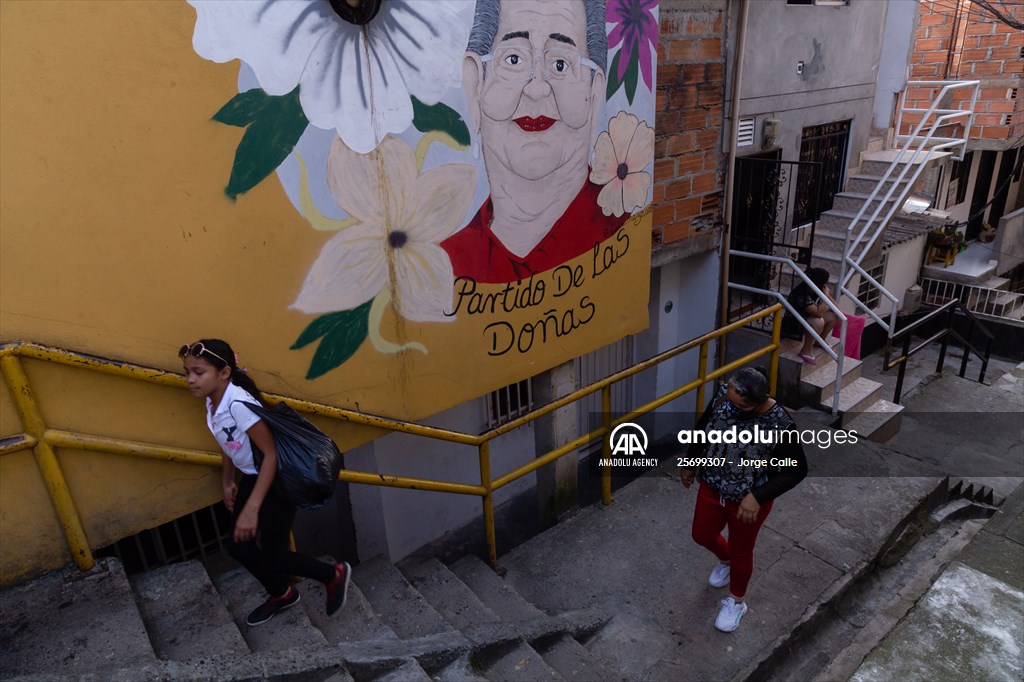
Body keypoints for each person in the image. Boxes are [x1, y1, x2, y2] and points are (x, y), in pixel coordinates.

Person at [441, 0, 629, 283]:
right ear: (476, 84)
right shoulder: (441, 268)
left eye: (561, 64)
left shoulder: (622, 235)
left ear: (594, 93)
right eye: (513, 59)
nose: (537, 88)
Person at [180, 339, 351, 626]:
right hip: (253, 476)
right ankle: (283, 593)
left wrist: (252, 508)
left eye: (198, 372)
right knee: (241, 547)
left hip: (275, 481)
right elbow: (228, 442)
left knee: (274, 554)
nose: (190, 380)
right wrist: (227, 481)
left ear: (224, 373)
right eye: (187, 372)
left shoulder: (238, 405)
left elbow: (271, 454)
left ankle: (333, 575)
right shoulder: (213, 401)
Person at [679, 367, 808, 633]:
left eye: (741, 406)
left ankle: (737, 601)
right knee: (701, 534)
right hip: (713, 487)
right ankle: (726, 561)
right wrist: (690, 462)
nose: (733, 408)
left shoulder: (780, 424)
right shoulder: (724, 398)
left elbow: (796, 469)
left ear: (759, 401)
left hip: (748, 502)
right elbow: (703, 428)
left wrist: (758, 497)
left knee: (742, 551)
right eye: (731, 401)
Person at [781, 267, 839, 365]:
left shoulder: (815, 290)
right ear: (818, 284)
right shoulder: (801, 292)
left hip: (807, 319)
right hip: (793, 324)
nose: (825, 286)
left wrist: (828, 295)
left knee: (834, 315)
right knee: (818, 321)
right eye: (824, 284)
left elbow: (838, 310)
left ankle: (820, 341)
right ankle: (806, 350)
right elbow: (818, 313)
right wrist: (825, 296)